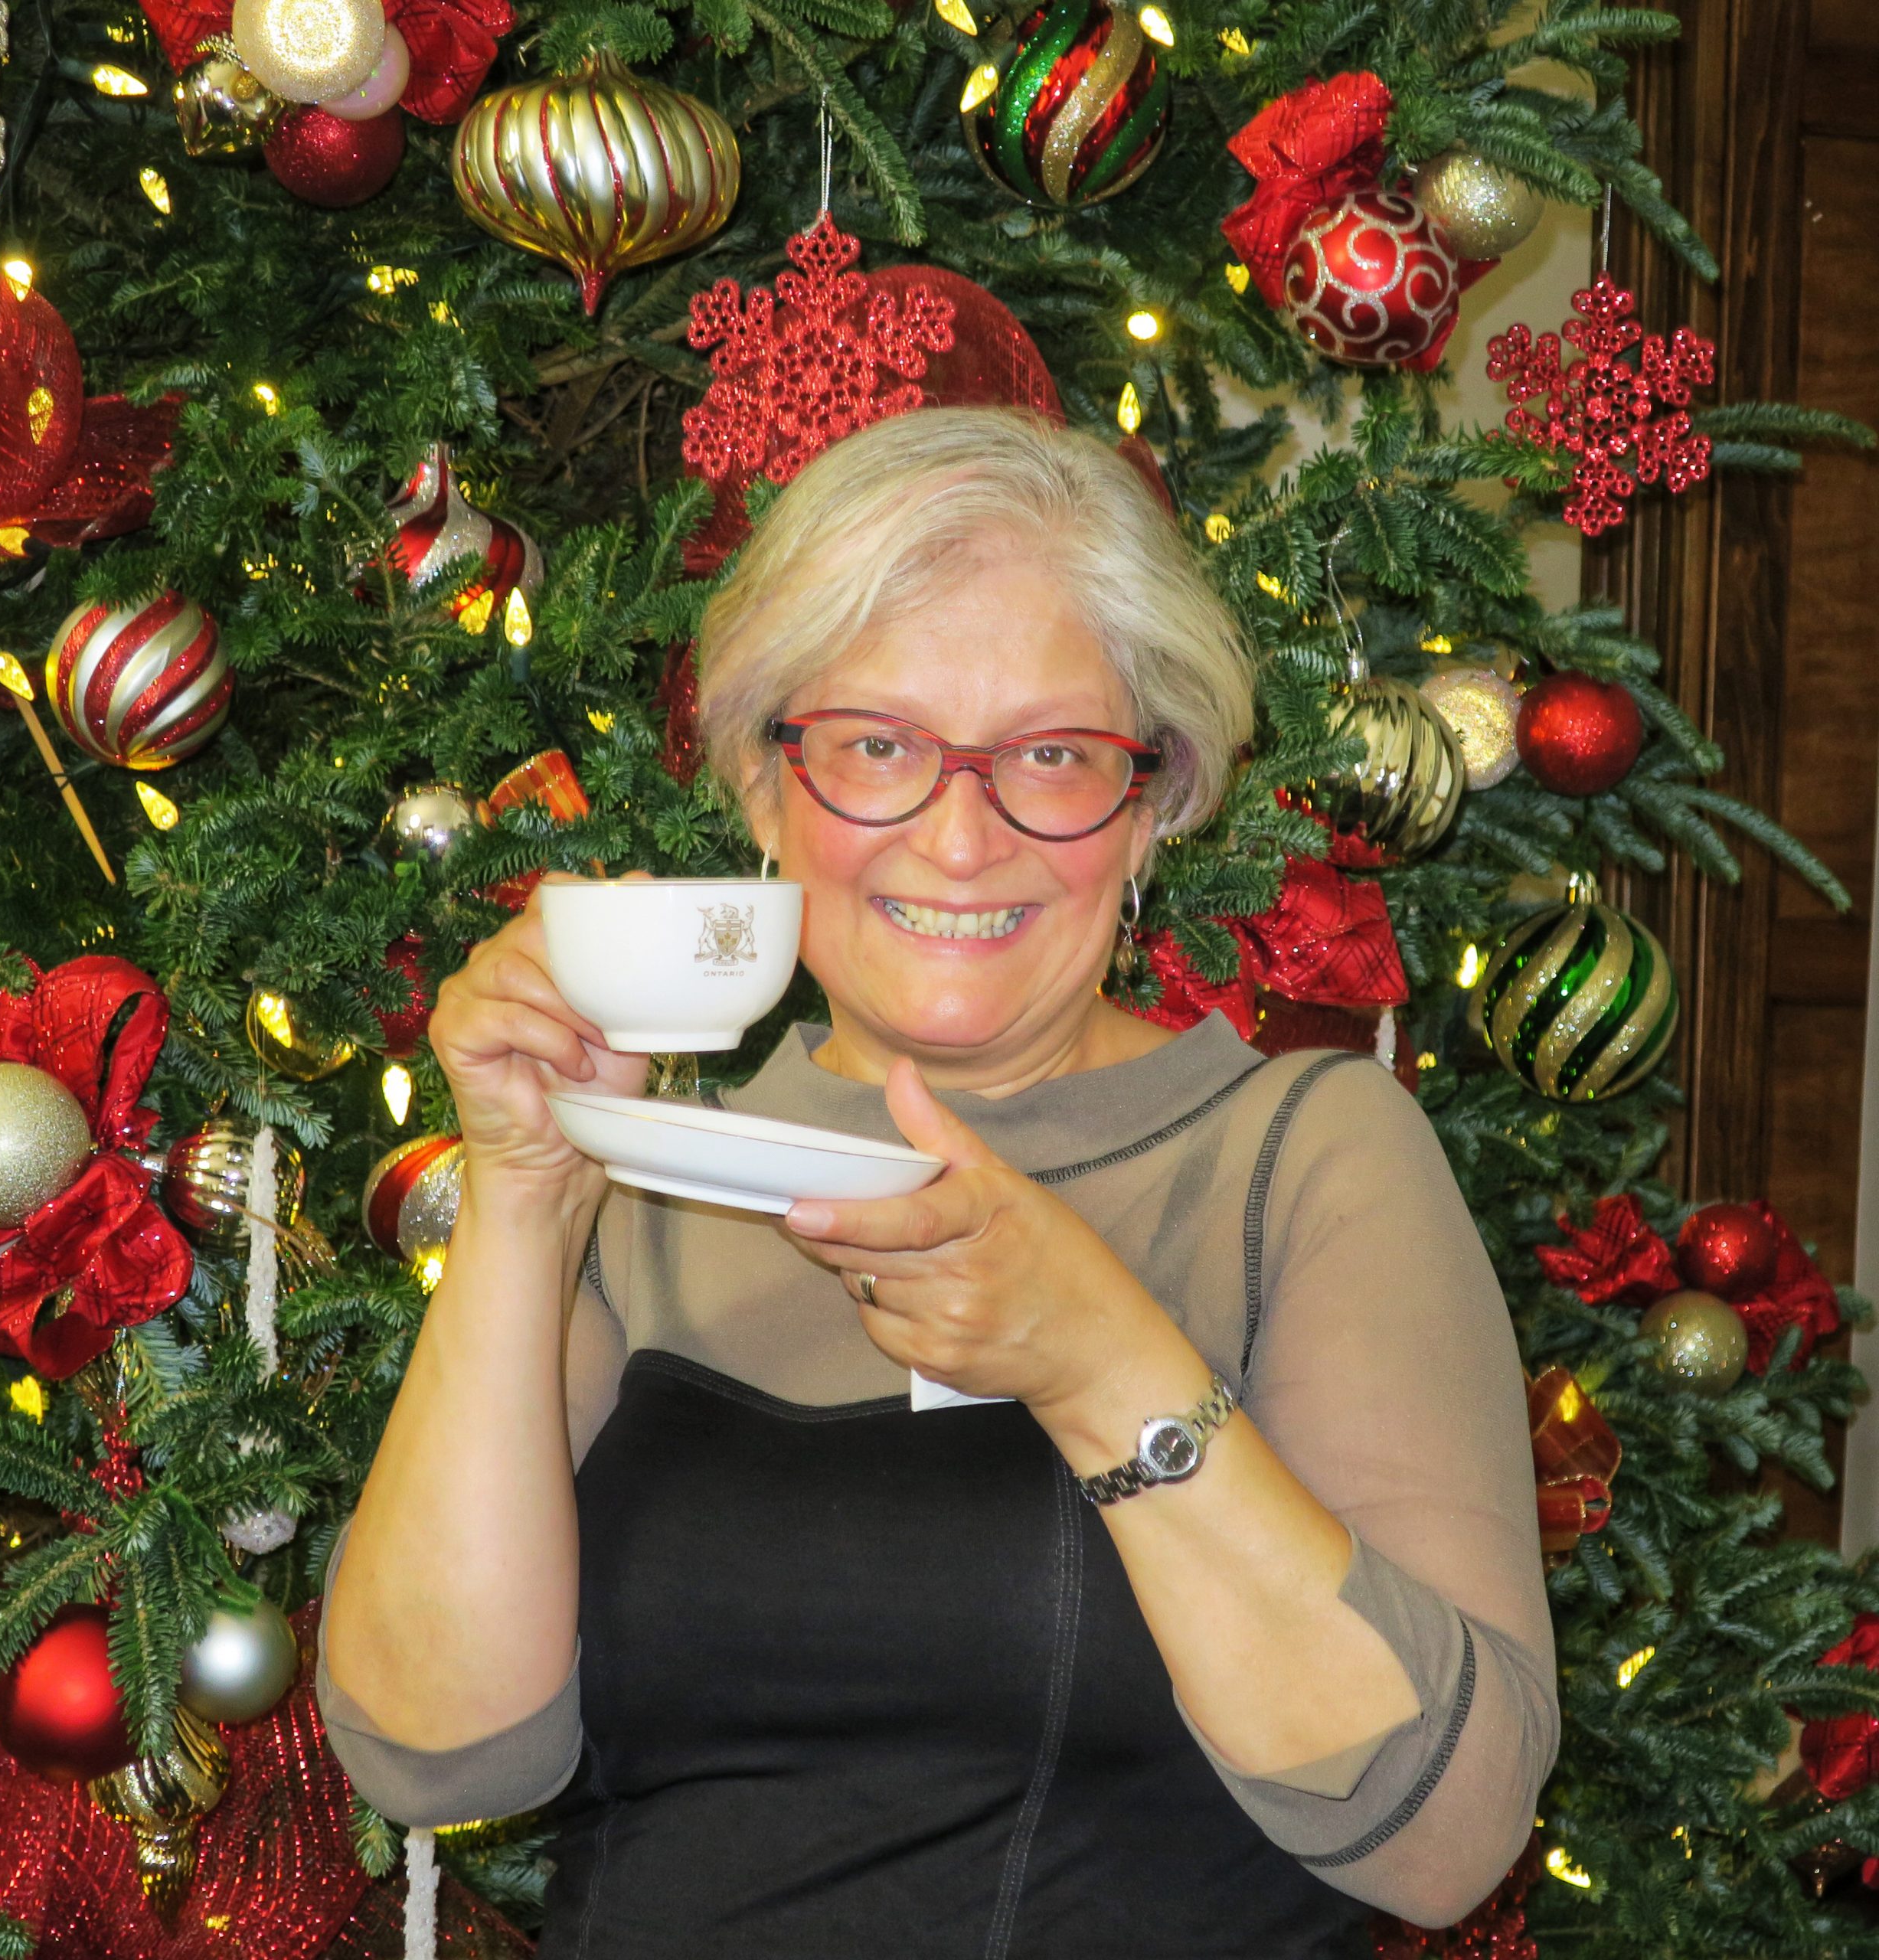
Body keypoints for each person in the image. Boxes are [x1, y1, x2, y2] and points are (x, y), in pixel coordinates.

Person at [318, 407, 1557, 1958]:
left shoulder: (1300, 1158)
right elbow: (434, 1749)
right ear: (768, 793)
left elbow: (1444, 1831)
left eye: (1047, 754)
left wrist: (1100, 1360)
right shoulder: (649, 1178)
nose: (959, 836)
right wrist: (523, 1193)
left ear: (1151, 803)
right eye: (877, 747)